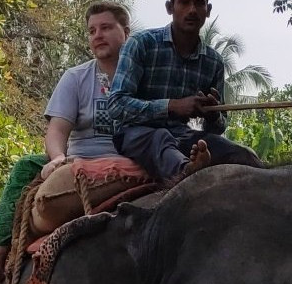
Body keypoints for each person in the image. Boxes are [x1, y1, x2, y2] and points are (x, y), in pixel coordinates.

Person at [0, 2, 132, 284]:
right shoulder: (76, 78)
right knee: (23, 168)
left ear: (125, 32)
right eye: (91, 31)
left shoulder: (145, 77)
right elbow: (56, 131)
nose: (97, 36)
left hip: (131, 158)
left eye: (105, 28)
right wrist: (56, 158)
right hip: (78, 160)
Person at [107, 0, 262, 181]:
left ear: (208, 10)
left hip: (183, 136)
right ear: (170, 7)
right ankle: (187, 171)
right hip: (136, 136)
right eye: (184, 3)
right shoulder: (141, 43)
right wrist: (171, 106)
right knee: (160, 137)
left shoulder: (214, 62)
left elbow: (218, 127)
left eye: (199, 4)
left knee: (243, 154)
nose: (192, 10)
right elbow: (116, 105)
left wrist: (212, 114)